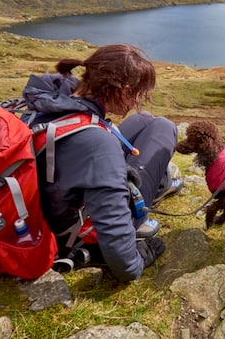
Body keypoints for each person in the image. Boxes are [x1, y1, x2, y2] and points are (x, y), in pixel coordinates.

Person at [21, 43, 182, 281]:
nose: (137, 102)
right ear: (125, 91)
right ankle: (157, 186)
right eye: (138, 95)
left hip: (43, 205)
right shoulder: (97, 143)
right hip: (69, 232)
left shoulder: (53, 101)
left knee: (145, 120)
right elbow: (123, 262)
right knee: (165, 128)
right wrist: (139, 259)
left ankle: (152, 179)